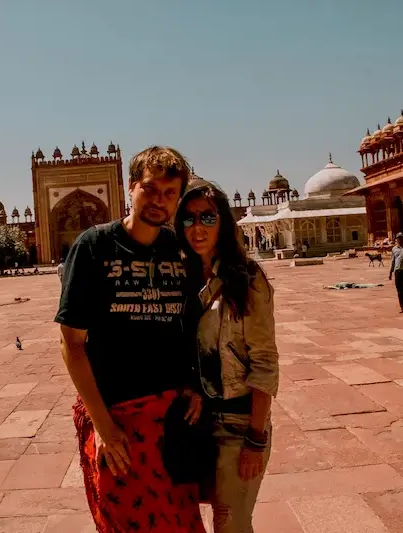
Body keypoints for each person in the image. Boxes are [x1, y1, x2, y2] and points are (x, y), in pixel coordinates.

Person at [56, 146, 206, 533]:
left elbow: (192, 329)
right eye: (150, 189)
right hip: (117, 419)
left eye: (169, 193)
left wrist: (193, 384)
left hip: (171, 421)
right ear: (130, 187)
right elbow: (71, 344)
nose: (159, 200)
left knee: (181, 523)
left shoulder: (181, 250)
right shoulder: (94, 247)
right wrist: (103, 426)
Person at [176, 181, 279, 533]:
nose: (198, 228)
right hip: (197, 424)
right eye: (188, 220)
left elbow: (265, 361)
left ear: (223, 221)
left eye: (207, 216)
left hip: (239, 426)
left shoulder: (246, 279)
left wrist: (255, 437)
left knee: (230, 524)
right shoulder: (182, 280)